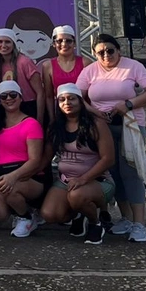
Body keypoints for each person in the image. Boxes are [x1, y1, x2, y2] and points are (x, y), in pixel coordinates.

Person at [76, 34, 146, 243]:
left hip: (130, 125)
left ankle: (140, 224)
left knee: (131, 172)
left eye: (110, 50)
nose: (106, 55)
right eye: (100, 52)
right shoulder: (90, 71)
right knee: (114, 173)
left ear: (118, 50)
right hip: (103, 127)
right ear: (95, 54)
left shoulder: (133, 67)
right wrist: (94, 112)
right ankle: (126, 218)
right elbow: (77, 96)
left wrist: (129, 104)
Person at [40, 85, 117, 245]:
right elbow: (45, 159)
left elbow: (108, 159)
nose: (67, 103)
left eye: (72, 98)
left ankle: (95, 223)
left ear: (81, 101)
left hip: (98, 181)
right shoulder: (55, 127)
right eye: (62, 100)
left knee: (77, 195)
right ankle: (79, 214)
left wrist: (83, 179)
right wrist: (20, 175)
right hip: (66, 181)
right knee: (49, 214)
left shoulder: (96, 124)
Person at [0, 80, 46, 238]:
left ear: (20, 97)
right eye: (4, 96)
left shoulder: (31, 124)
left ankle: (26, 217)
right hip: (2, 176)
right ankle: (18, 208)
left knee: (8, 187)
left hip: (29, 177)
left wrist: (13, 177)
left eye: (13, 95)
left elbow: (35, 161)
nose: (9, 99)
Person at [0, 29, 43, 119]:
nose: (3, 45)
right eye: (0, 42)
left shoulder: (24, 62)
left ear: (14, 44)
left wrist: (40, 118)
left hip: (28, 105)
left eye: (7, 42)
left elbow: (40, 92)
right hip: (8, 105)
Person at [40, 25, 85, 131]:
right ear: (54, 44)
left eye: (68, 41)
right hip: (61, 113)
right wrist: (52, 118)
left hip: (84, 114)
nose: (64, 44)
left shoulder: (85, 63)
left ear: (74, 43)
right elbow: (49, 96)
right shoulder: (47, 66)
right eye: (59, 41)